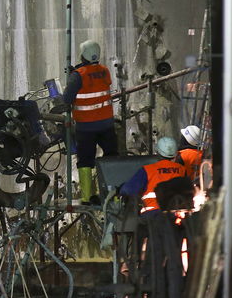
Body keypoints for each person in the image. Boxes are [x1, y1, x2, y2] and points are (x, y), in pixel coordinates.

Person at [63, 39, 118, 203]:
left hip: (86, 127)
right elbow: (94, 77)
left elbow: (67, 98)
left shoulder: (77, 76)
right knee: (111, 157)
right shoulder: (105, 71)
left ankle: (87, 196)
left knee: (85, 160)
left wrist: (74, 75)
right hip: (106, 124)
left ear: (83, 56)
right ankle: (113, 196)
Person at [120, 137, 187, 214]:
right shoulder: (182, 169)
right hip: (177, 214)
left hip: (153, 215)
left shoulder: (147, 170)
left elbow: (128, 190)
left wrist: (120, 189)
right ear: (176, 154)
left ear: (157, 153)